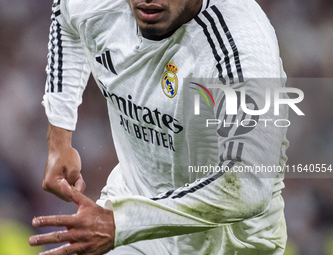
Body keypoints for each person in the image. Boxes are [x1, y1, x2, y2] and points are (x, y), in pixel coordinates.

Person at [29, 0, 289, 254]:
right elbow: (64, 15)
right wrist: (59, 138)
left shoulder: (242, 47)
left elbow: (247, 188)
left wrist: (119, 224)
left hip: (228, 242)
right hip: (134, 210)